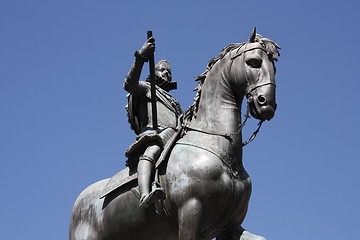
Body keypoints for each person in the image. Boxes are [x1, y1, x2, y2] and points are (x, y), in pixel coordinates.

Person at [124, 37, 183, 208]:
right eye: (162, 70)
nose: (166, 73)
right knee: (151, 152)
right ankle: (144, 194)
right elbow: (129, 85)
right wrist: (141, 57)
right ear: (154, 71)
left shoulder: (174, 102)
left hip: (175, 138)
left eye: (169, 72)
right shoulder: (146, 88)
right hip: (155, 136)